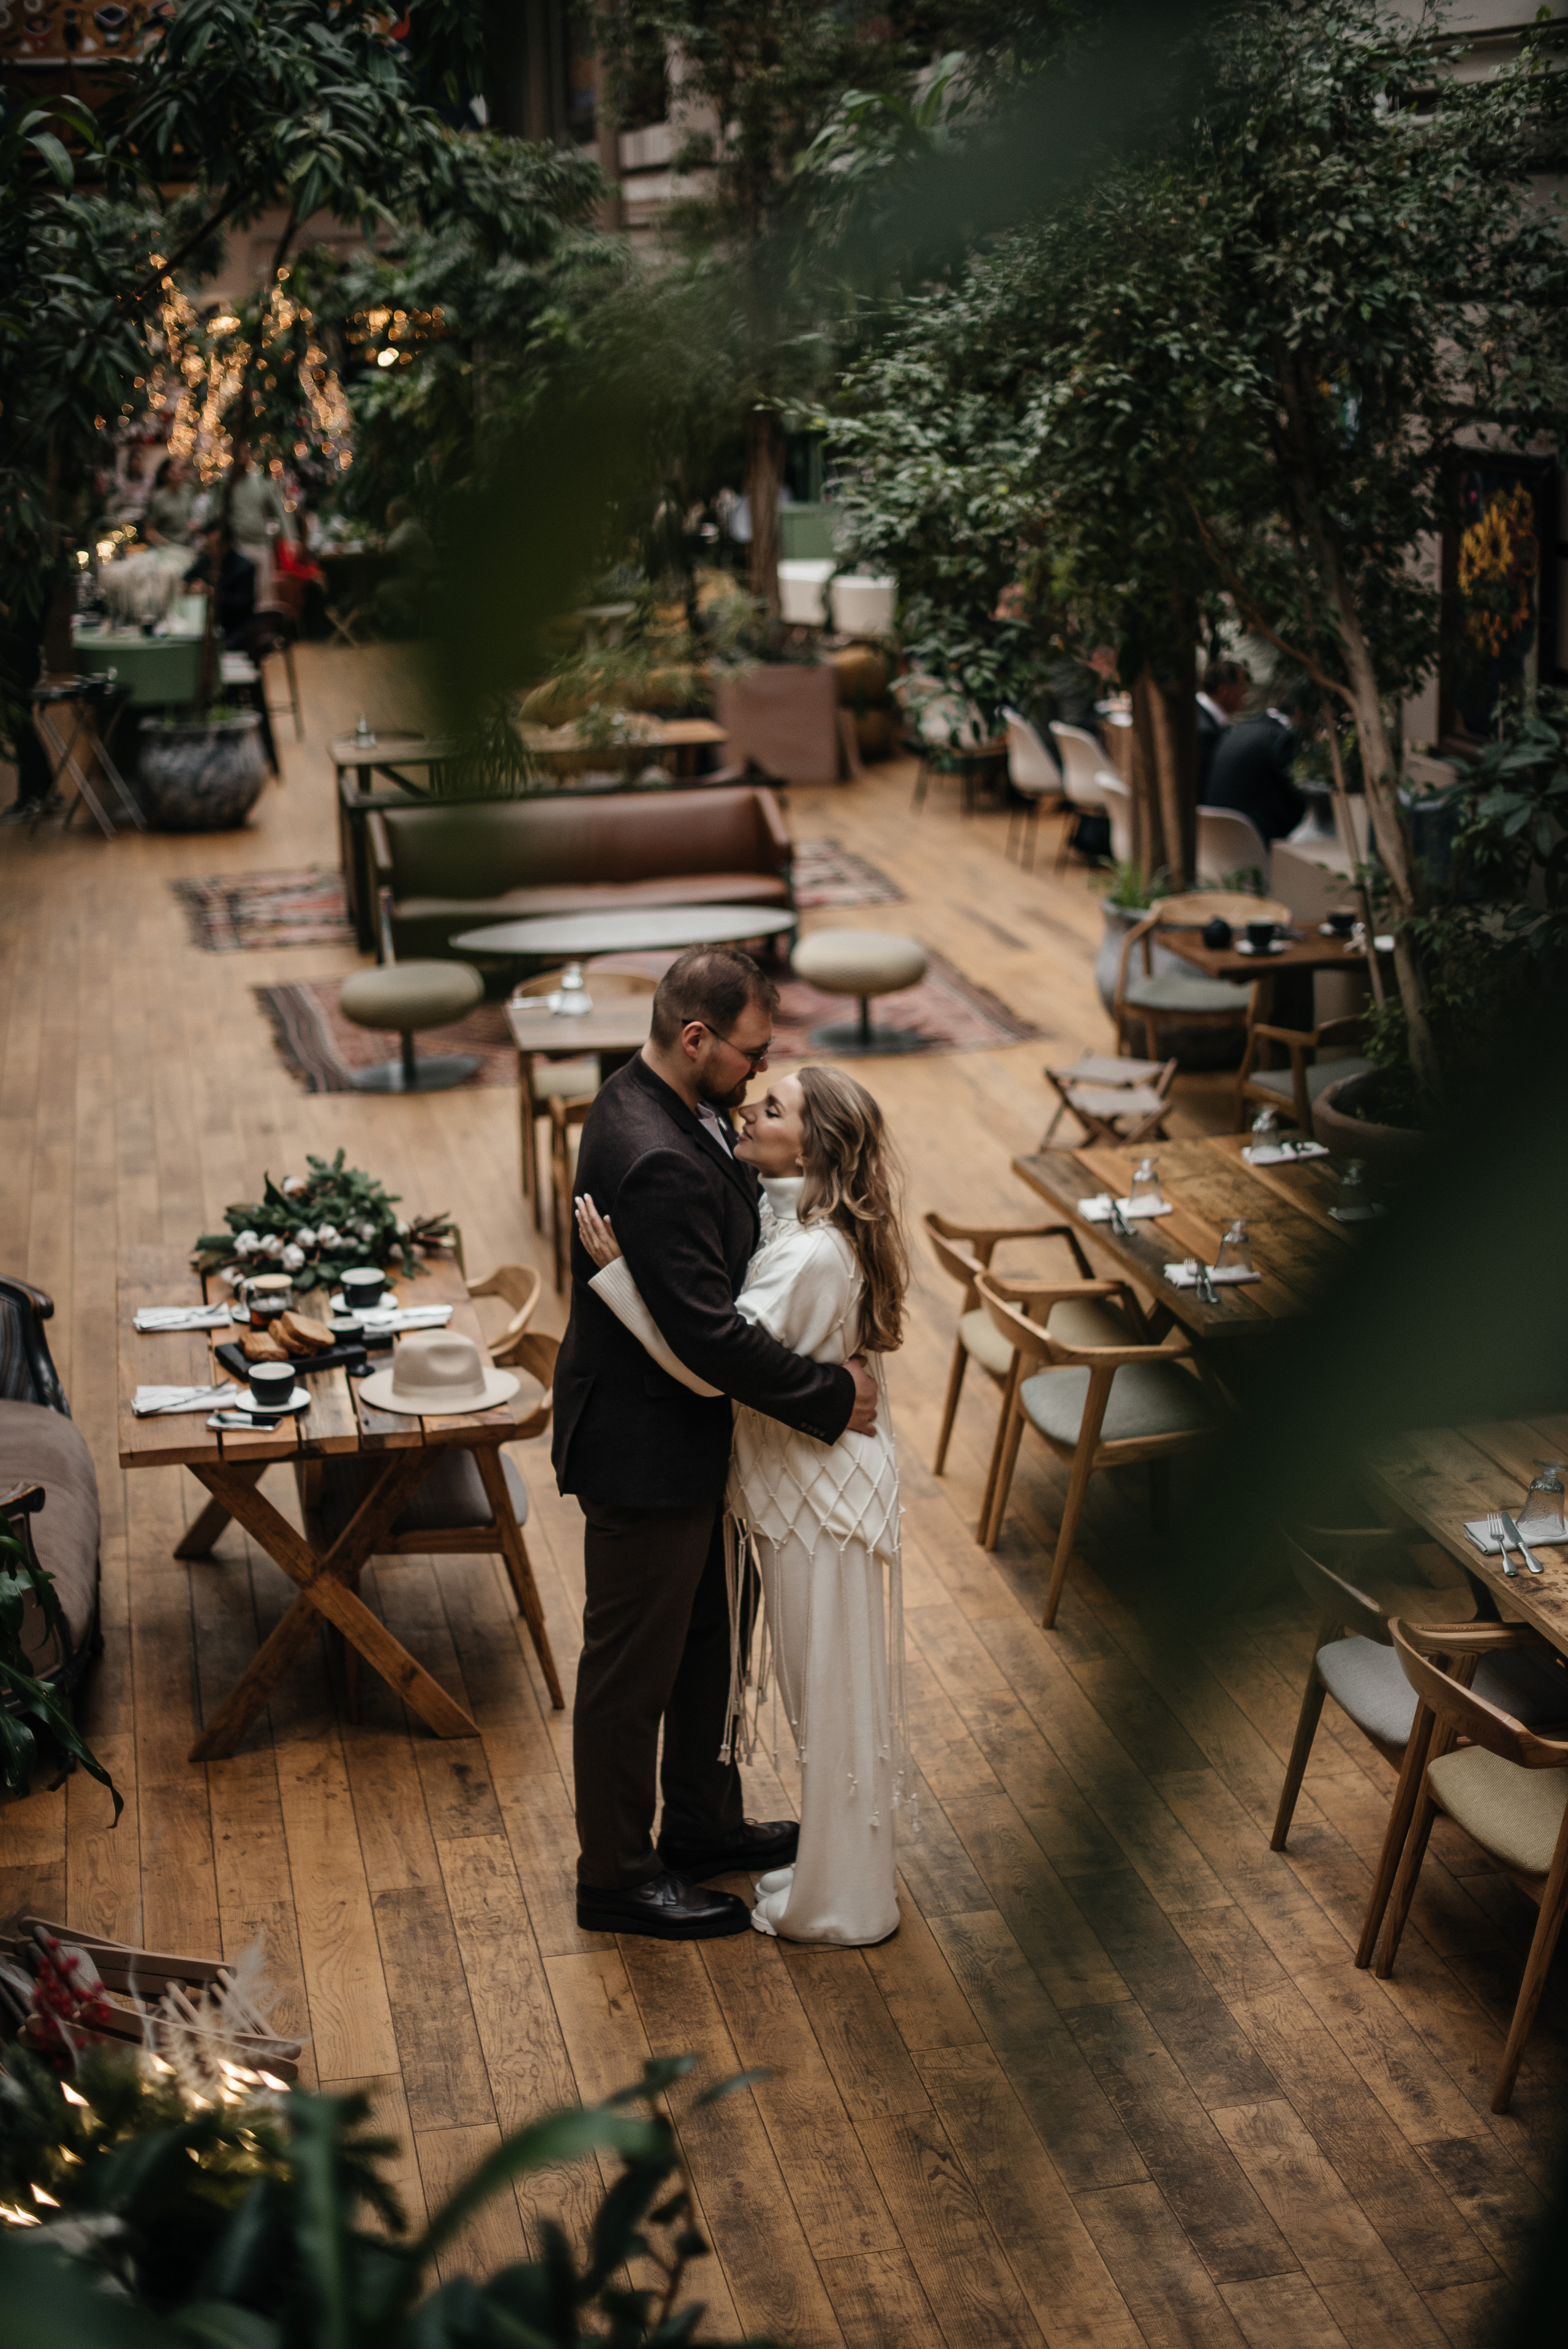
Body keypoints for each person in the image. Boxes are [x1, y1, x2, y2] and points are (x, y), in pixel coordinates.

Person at [552, 945, 879, 1942]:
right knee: (631, 1672)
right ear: (694, 1039)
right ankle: (615, 1871)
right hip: (646, 1447)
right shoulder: (651, 1152)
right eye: (750, 1051)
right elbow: (708, 1337)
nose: (757, 1070)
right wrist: (832, 1392)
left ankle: (699, 1825)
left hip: (688, 1440)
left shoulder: (653, 1095)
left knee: (705, 1648)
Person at [1206, 683, 1309, 845]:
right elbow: (1289, 794)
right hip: (1251, 837)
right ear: (1299, 712)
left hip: (1215, 831)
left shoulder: (1239, 729)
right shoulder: (1281, 737)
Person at [184, 525, 256, 647]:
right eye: (209, 545)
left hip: (235, 627)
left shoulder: (244, 567)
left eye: (214, 545)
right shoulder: (206, 561)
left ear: (226, 544)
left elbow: (243, 603)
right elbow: (187, 579)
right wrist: (191, 586)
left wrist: (212, 593)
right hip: (204, 625)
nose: (210, 549)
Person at [1196, 657, 1251, 795]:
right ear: (1223, 691)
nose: (1246, 694)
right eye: (1242, 688)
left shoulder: (1198, 712)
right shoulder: (1205, 732)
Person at [141, 455, 198, 549]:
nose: (181, 476)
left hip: (186, 546)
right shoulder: (158, 498)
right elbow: (149, 531)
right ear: (166, 474)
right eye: (176, 473)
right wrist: (166, 544)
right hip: (165, 548)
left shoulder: (187, 493)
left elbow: (189, 520)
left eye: (182, 472)